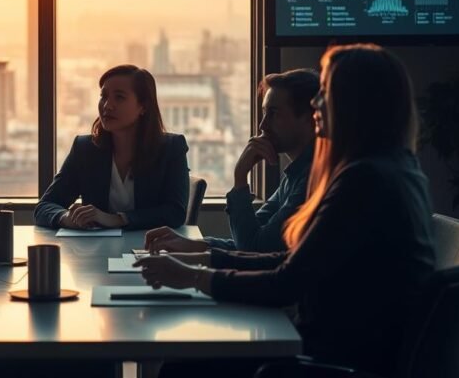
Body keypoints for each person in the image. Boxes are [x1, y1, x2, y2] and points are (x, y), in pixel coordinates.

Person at [135, 44, 435, 377]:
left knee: (181, 370)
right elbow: (294, 260)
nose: (316, 104)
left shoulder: (364, 180)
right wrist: (199, 260)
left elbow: (286, 283)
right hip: (347, 348)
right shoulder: (396, 169)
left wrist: (192, 276)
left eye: (324, 94)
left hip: (335, 358)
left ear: (353, 104)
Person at [145, 69, 319, 253]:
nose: (262, 125)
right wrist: (195, 245)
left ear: (309, 119)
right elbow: (247, 240)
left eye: (273, 113)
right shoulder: (296, 175)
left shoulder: (311, 180)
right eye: (264, 113)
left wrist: (240, 176)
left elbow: (253, 248)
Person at [34, 64, 189, 231]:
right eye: (104, 97)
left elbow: (175, 213)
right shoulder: (85, 149)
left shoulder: (171, 148)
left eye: (119, 97)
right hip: (97, 251)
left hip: (152, 249)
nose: (107, 105)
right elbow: (45, 207)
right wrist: (66, 218)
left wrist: (116, 219)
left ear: (143, 106)